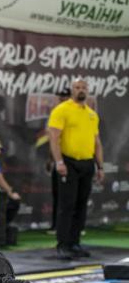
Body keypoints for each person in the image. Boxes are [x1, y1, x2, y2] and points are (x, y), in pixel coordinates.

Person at [48, 78, 104, 260]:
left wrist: (100, 166)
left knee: (81, 205)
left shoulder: (92, 114)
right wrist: (59, 162)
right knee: (67, 205)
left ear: (88, 90)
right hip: (68, 163)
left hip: (87, 164)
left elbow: (97, 142)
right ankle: (63, 244)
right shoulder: (61, 110)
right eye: (77, 87)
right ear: (72, 90)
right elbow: (54, 138)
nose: (81, 90)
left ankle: (75, 243)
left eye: (84, 87)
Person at [43, 88, 71, 233]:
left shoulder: (74, 113)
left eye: (65, 97)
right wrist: (52, 159)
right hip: (58, 160)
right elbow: (52, 140)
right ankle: (56, 226)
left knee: (71, 195)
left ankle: (71, 227)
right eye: (61, 98)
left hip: (71, 159)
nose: (63, 100)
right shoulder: (55, 114)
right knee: (58, 194)